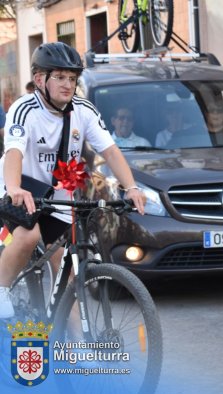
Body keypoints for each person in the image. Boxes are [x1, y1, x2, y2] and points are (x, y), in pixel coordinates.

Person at [0, 42, 146, 318]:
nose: (68, 84)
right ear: (40, 79)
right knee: (29, 236)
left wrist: (132, 187)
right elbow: (14, 152)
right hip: (19, 184)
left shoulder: (84, 110)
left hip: (56, 192)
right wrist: (15, 188)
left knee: (69, 275)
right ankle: (1, 288)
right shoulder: (24, 109)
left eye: (72, 78)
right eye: (60, 77)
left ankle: (80, 353)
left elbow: (110, 151)